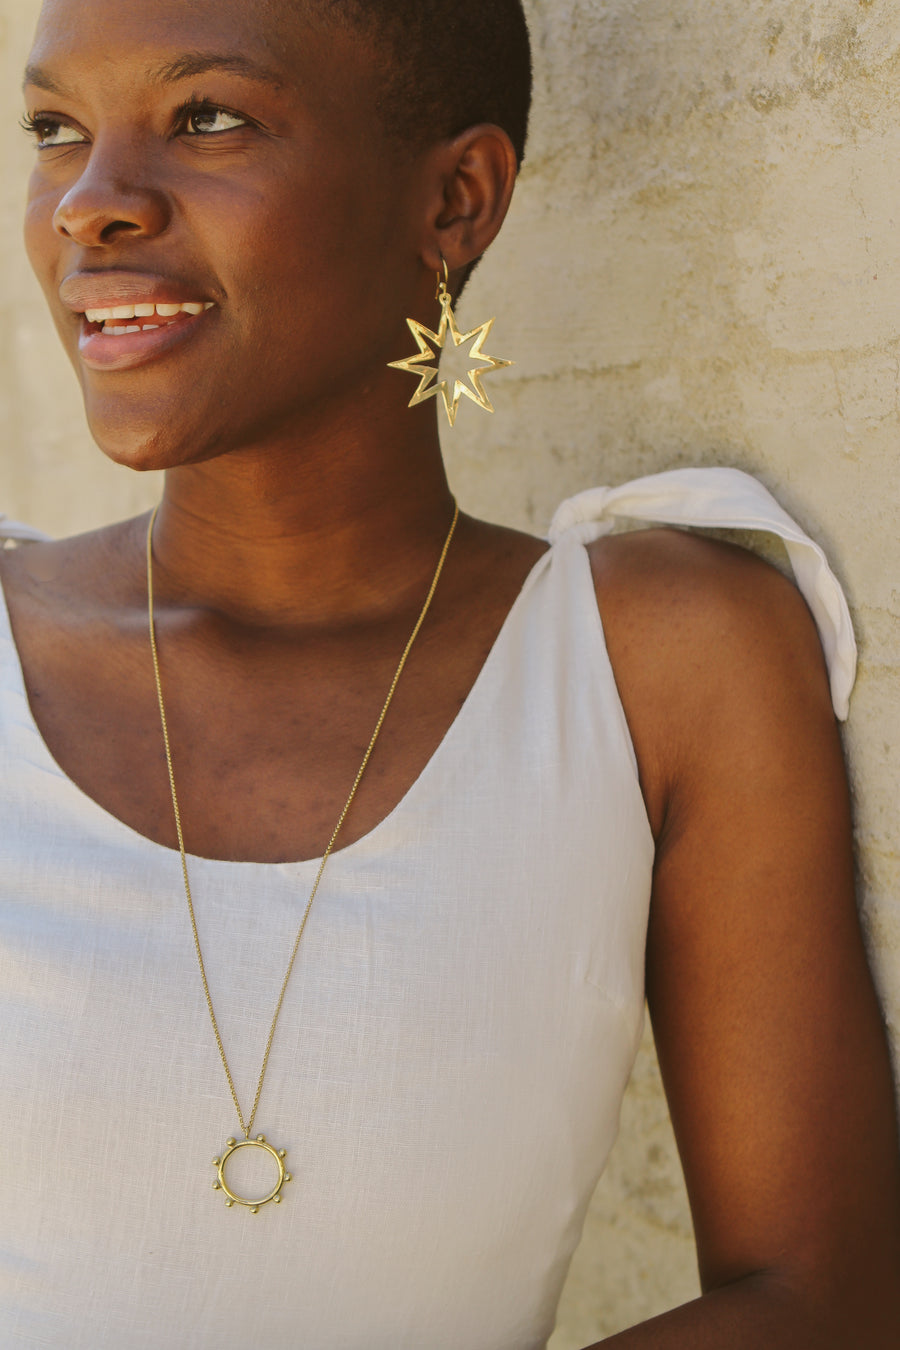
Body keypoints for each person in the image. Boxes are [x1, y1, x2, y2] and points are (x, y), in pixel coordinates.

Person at [2, 0, 899, 1346]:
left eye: (207, 118)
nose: (88, 203)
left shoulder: (651, 661)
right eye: (54, 129)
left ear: (457, 198)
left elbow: (823, 1301)